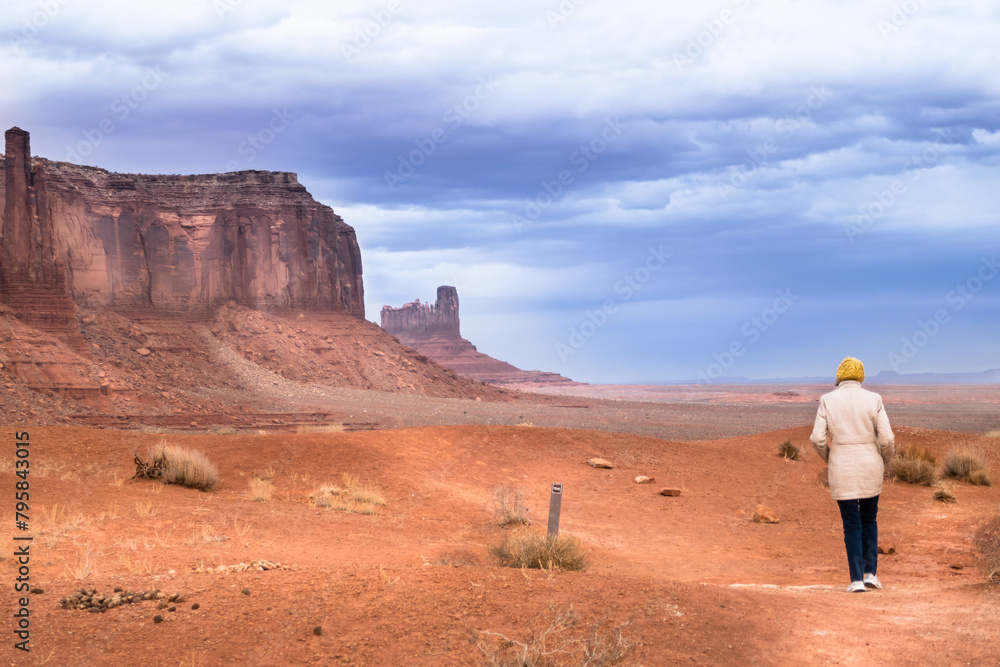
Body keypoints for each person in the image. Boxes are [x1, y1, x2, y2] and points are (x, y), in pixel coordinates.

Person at [810, 357, 894, 593]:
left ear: (840, 376)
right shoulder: (874, 399)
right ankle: (871, 574)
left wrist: (830, 456)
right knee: (870, 519)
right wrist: (883, 460)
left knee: (851, 523)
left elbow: (817, 438)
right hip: (871, 465)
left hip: (842, 466)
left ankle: (856, 579)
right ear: (861, 376)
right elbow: (887, 439)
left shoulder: (827, 400)